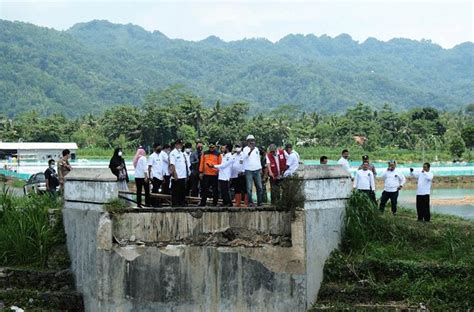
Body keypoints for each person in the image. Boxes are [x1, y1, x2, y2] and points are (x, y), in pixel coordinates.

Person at [243, 135, 263, 207]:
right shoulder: (245, 149)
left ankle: (260, 202)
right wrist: (251, 150)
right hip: (249, 170)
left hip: (257, 170)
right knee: (249, 188)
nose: (252, 142)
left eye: (253, 140)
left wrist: (260, 168)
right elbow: (245, 157)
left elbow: (258, 159)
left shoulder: (256, 149)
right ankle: (250, 202)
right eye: (250, 140)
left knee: (259, 187)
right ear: (247, 141)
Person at [169, 139, 188, 207]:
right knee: (175, 191)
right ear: (176, 145)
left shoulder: (181, 153)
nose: (181, 146)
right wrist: (175, 174)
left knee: (182, 191)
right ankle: (175, 204)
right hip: (176, 175)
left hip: (182, 175)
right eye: (180, 145)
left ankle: (181, 203)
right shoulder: (173, 153)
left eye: (182, 145)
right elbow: (172, 164)